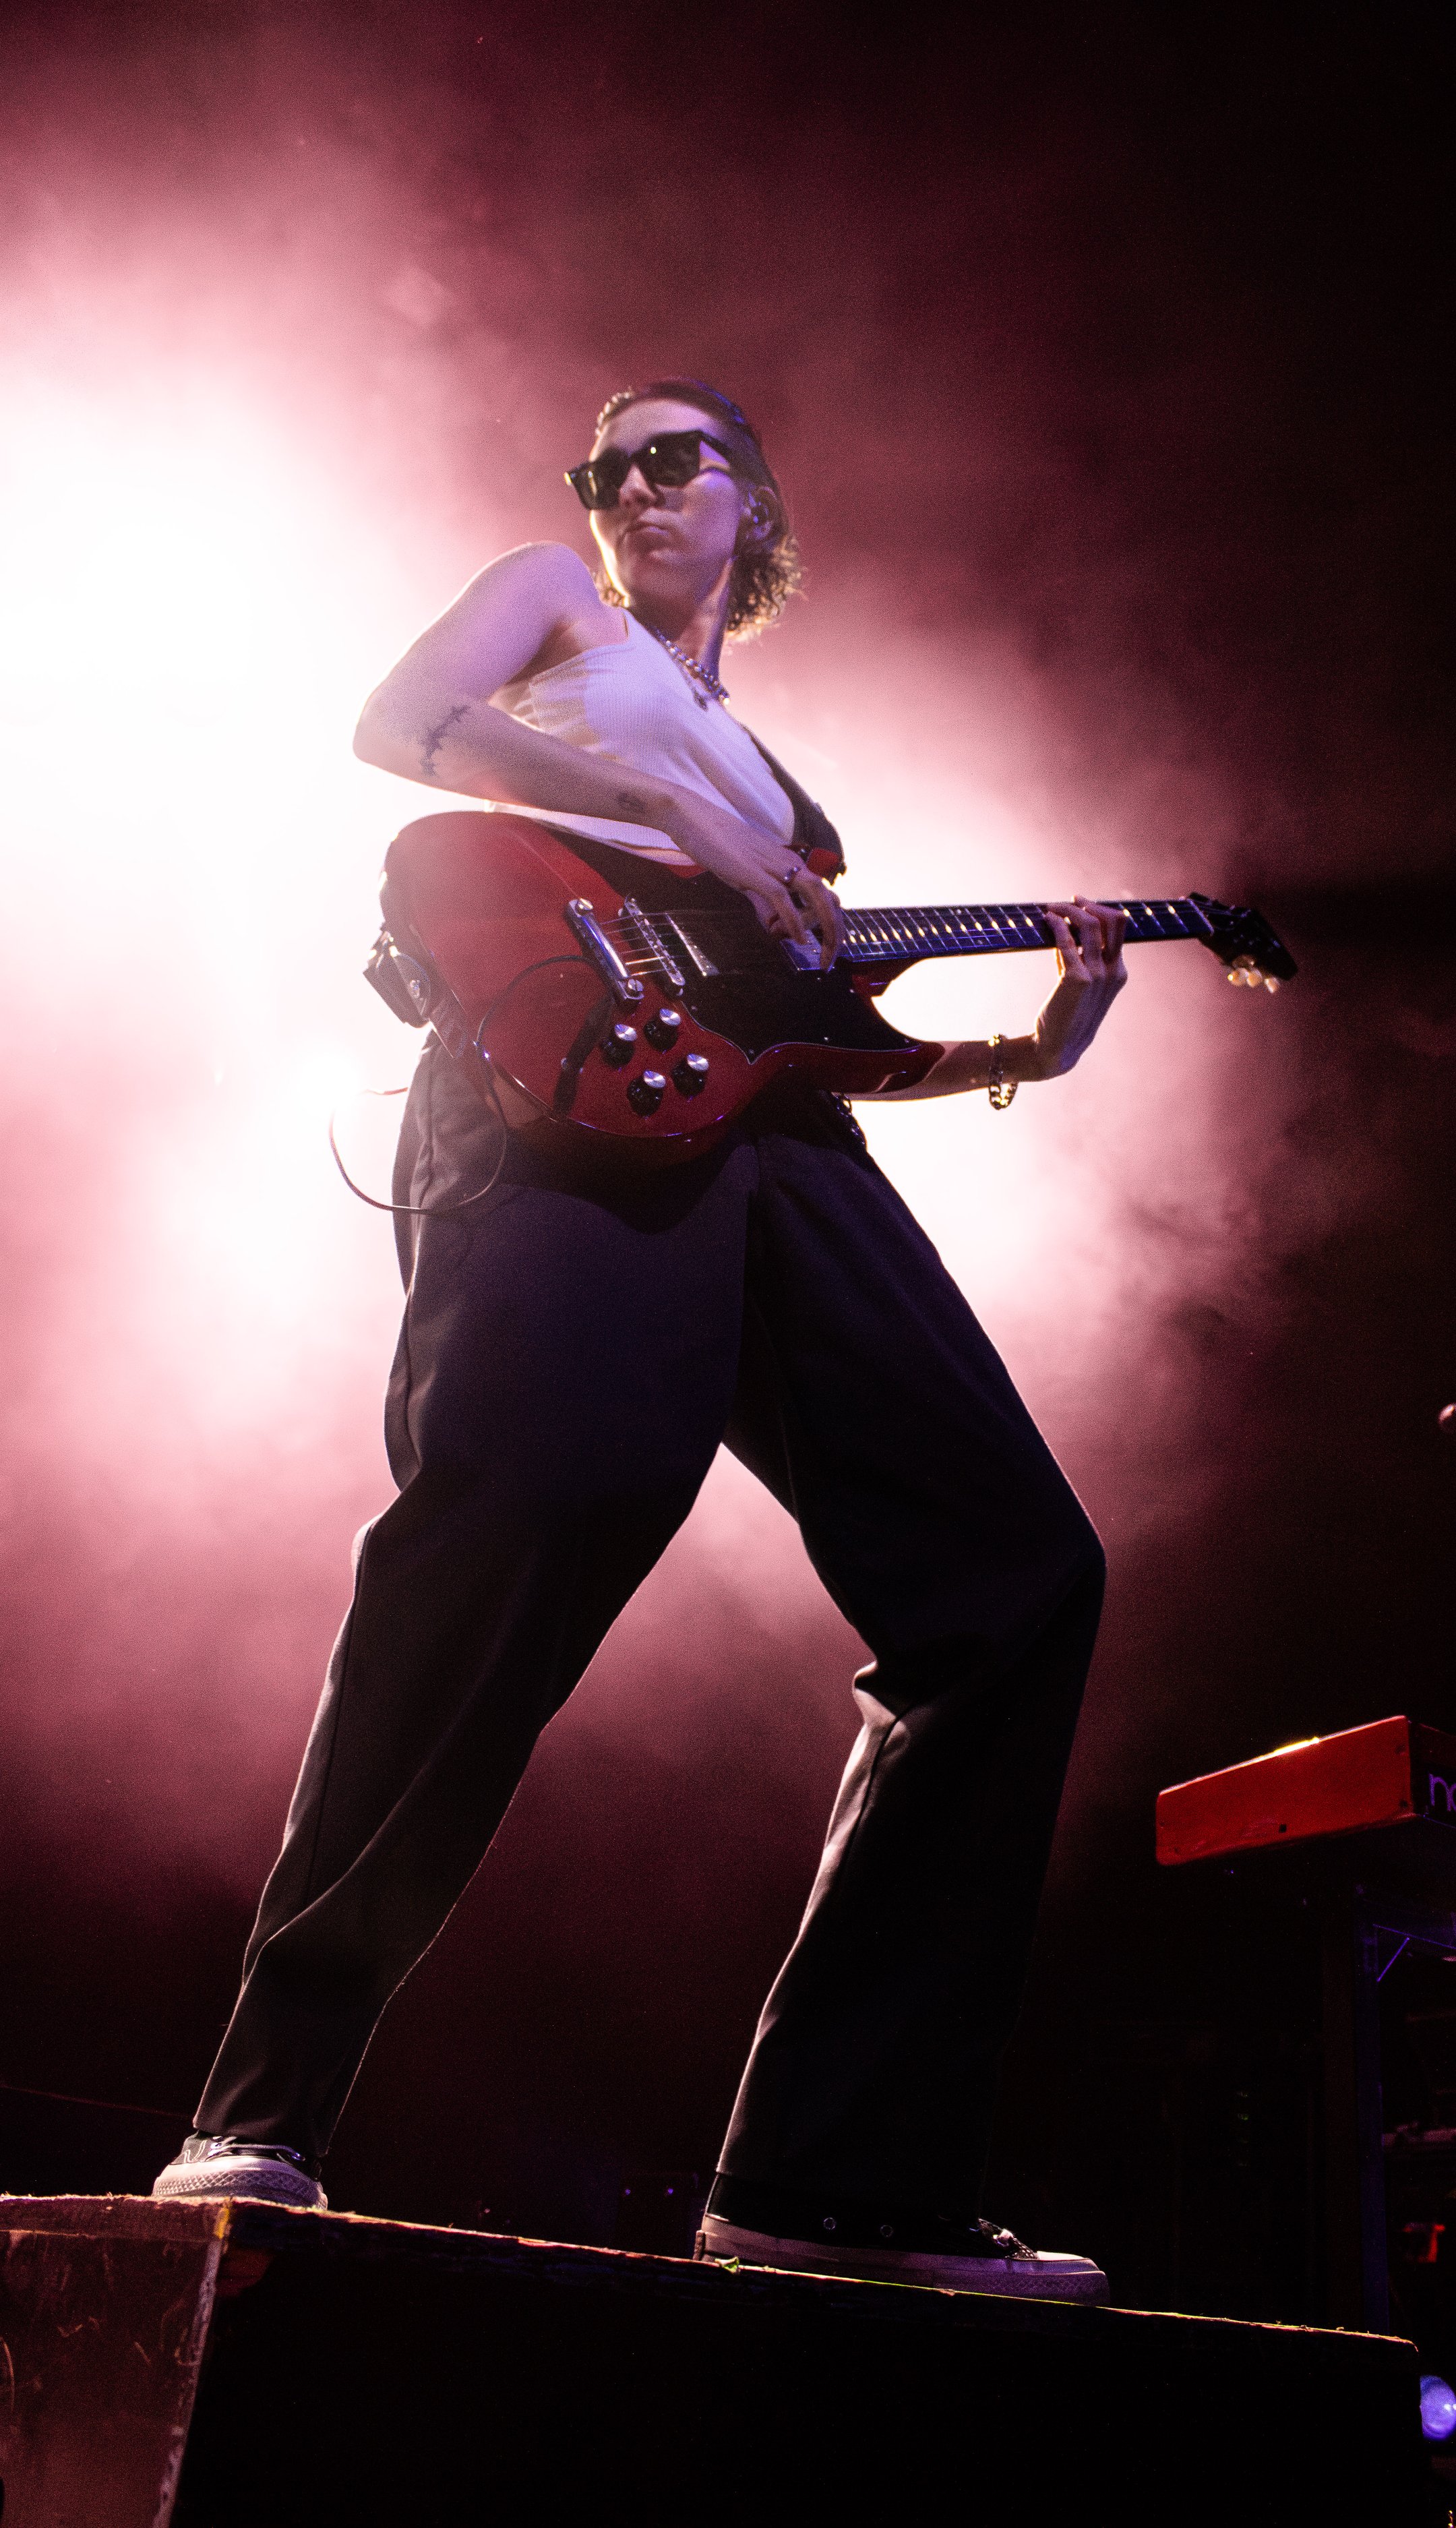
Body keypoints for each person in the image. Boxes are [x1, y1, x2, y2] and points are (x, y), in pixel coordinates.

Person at [153, 380, 1128, 2302]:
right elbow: (392, 725)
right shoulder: (556, 610)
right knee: (517, 1517)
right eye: (607, 464)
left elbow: (806, 1043)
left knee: (1019, 1580)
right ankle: (263, 2104)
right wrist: (668, 805)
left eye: (674, 456)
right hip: (550, 1104)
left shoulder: (784, 798)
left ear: (754, 502)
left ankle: (836, 2183)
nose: (629, 486)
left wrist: (1030, 1043)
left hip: (777, 1148)